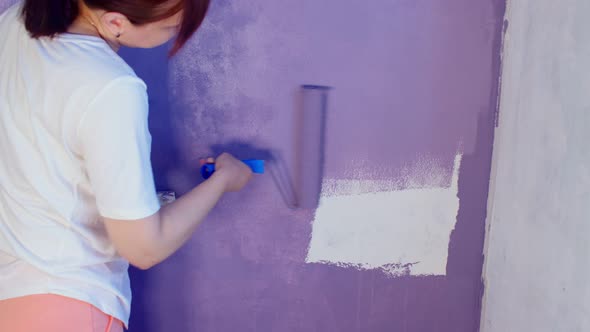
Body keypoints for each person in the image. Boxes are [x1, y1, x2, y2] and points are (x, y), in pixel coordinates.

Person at [0, 0, 253, 330]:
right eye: (171, 28)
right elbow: (145, 249)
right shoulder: (112, 87)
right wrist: (223, 180)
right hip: (69, 306)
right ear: (116, 22)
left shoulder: (17, 21)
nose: (175, 34)